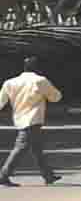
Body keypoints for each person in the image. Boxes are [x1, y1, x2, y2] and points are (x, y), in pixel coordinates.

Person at [0, 57, 63, 187]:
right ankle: (3, 175)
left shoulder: (10, 82)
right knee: (21, 147)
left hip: (19, 118)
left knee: (36, 148)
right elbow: (56, 97)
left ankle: (48, 175)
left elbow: (1, 101)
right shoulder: (40, 80)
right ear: (38, 68)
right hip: (33, 119)